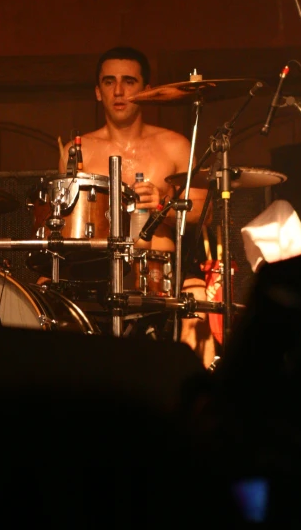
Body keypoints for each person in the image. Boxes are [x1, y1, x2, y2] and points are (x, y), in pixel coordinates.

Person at [59, 46, 216, 367]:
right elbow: (64, 224)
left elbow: (205, 216)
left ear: (146, 90)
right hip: (97, 276)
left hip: (166, 275)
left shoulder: (174, 145)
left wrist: (161, 204)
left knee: (196, 308)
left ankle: (197, 408)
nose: (118, 91)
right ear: (97, 91)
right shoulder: (77, 151)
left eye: (129, 81)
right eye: (109, 82)